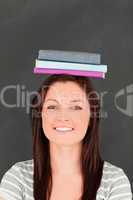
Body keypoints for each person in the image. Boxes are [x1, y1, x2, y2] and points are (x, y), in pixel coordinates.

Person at [0, 74, 132, 200]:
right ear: (40, 116)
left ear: (92, 117)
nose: (63, 117)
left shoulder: (114, 181)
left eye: (76, 107)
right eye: (52, 106)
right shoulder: (18, 177)